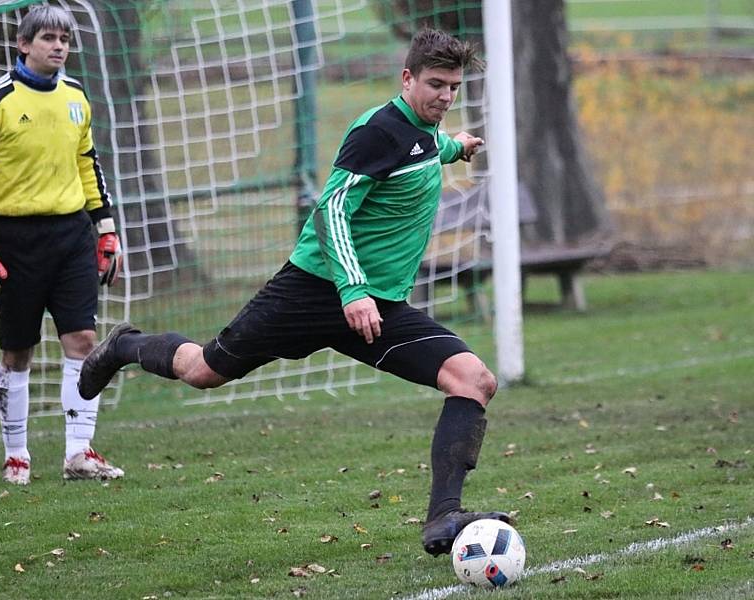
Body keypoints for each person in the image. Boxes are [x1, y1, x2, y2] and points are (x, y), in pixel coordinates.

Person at [79, 28, 508, 555]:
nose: (445, 96)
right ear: (407, 79)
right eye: (435, 84)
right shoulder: (377, 131)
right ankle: (125, 344)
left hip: (377, 309)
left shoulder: (424, 133)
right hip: (315, 292)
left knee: (472, 378)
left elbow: (424, 148)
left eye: (453, 87)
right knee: (204, 371)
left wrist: (455, 147)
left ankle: (444, 518)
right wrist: (352, 290)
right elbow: (330, 211)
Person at [0, 6, 124, 485]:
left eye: (65, 39)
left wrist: (106, 228)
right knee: (18, 352)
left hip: (71, 235)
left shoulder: (76, 96)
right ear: (22, 43)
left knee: (84, 342)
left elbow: (88, 164)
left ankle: (78, 453)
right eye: (48, 37)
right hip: (12, 239)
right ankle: (16, 456)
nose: (59, 46)